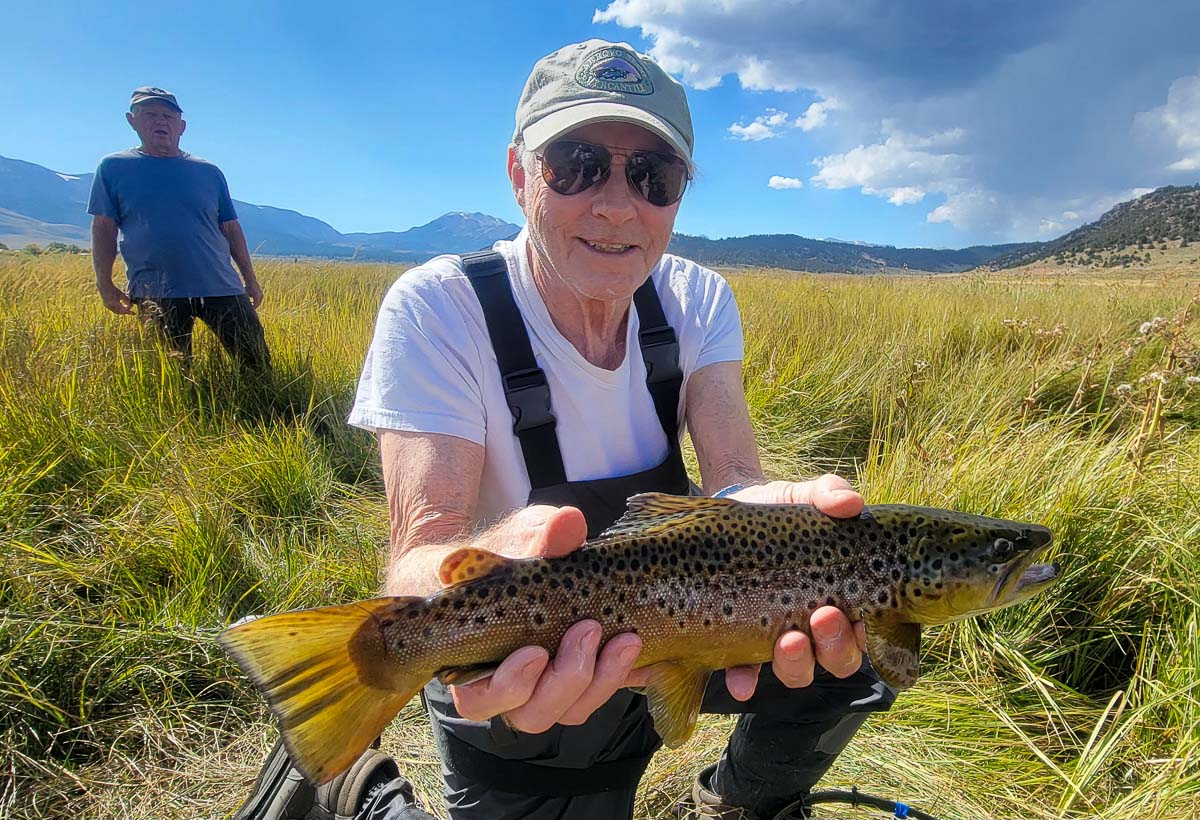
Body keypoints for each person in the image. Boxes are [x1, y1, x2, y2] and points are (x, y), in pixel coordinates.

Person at [234, 40, 892, 820]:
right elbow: (423, 545)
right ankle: (363, 792)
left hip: (691, 616)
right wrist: (443, 613)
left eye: (654, 176)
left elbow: (733, 481)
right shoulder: (439, 307)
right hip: (519, 659)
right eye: (577, 164)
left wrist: (777, 506)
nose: (618, 204)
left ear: (680, 195)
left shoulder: (698, 299)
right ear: (519, 174)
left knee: (859, 650)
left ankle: (741, 804)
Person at [88, 86, 270, 371]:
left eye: (167, 116)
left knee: (256, 362)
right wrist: (104, 283)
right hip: (156, 290)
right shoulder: (113, 168)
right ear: (132, 120)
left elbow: (231, 228)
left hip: (220, 285)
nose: (160, 122)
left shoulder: (209, 172)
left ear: (181, 126)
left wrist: (250, 279)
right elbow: (103, 228)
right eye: (149, 114)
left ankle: (264, 410)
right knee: (174, 374)